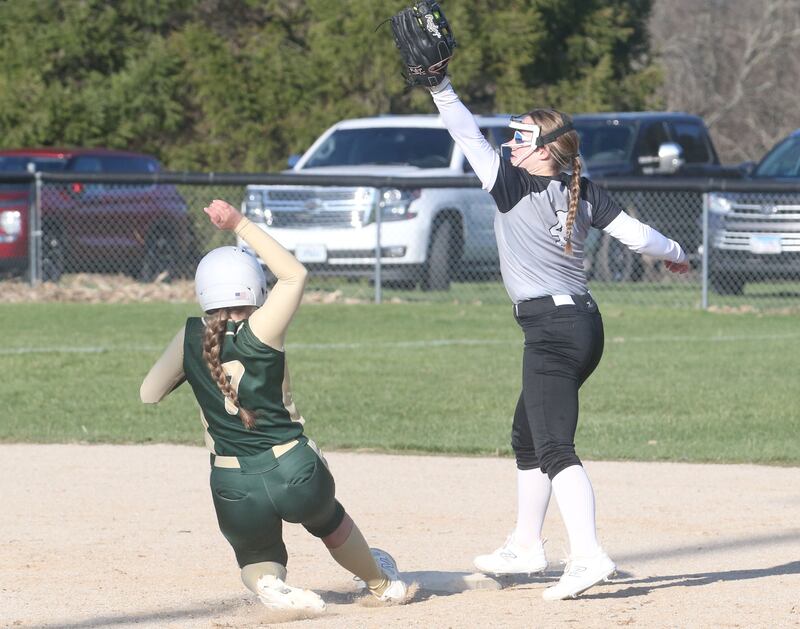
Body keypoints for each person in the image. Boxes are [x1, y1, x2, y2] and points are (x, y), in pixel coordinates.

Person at [425, 77, 689, 599]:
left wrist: (441, 86)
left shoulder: (509, 183)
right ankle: (525, 545)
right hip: (583, 326)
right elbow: (638, 237)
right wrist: (678, 252)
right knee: (528, 436)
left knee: (552, 446)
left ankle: (588, 555)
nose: (510, 145)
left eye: (522, 139)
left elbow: (464, 133)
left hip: (551, 331)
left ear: (546, 152)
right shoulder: (582, 189)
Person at [140, 199, 407, 612]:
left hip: (231, 482)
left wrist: (195, 370)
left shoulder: (191, 336)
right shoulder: (263, 327)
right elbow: (294, 274)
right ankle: (379, 582)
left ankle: (269, 584)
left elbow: (148, 393)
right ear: (254, 290)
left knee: (257, 554)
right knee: (328, 521)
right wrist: (239, 223)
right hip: (292, 468)